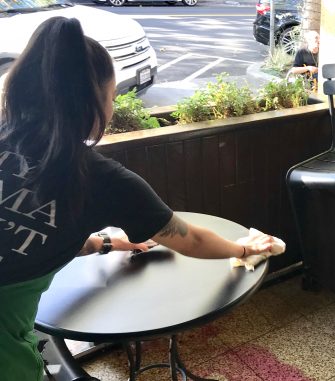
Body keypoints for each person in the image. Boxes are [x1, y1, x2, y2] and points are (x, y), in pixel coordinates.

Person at [0, 17, 276, 380]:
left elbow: (35, 228)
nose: (111, 107)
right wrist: (246, 249)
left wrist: (106, 244)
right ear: (91, 103)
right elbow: (190, 239)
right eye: (111, 96)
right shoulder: (101, 179)